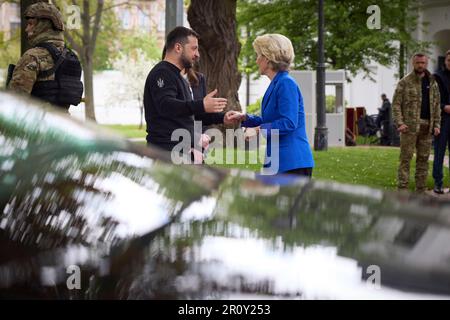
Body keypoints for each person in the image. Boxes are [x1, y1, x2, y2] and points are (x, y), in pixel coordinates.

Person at [228, 34, 314, 177]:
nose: (256, 61)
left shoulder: (286, 83)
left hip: (292, 163)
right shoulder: (277, 83)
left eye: (258, 55)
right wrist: (245, 118)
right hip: (279, 162)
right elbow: (272, 121)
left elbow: (288, 123)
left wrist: (256, 130)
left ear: (267, 59)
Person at [149, 33, 234, 162]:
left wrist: (223, 117)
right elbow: (166, 106)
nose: (197, 54)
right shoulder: (163, 72)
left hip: (188, 150)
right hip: (167, 152)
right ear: (178, 48)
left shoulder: (180, 77)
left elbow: (192, 115)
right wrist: (202, 105)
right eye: (194, 48)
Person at [8, 2, 83, 111]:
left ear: (43, 25)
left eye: (30, 24)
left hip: (34, 124)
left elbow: (15, 102)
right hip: (61, 124)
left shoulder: (33, 56)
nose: (26, 29)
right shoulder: (71, 57)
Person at [392, 53, 441, 193]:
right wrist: (400, 123)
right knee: (405, 159)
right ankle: (402, 191)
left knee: (423, 160)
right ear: (413, 63)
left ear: (427, 64)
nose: (421, 65)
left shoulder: (432, 82)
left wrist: (437, 125)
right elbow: (396, 104)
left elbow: (436, 105)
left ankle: (421, 191)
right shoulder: (405, 82)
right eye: (418, 62)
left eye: (423, 63)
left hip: (427, 126)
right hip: (409, 127)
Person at [432, 50, 450, 194]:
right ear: (445, 61)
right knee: (439, 152)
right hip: (442, 120)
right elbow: (432, 100)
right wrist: (444, 107)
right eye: (449, 60)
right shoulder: (437, 76)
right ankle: (438, 184)